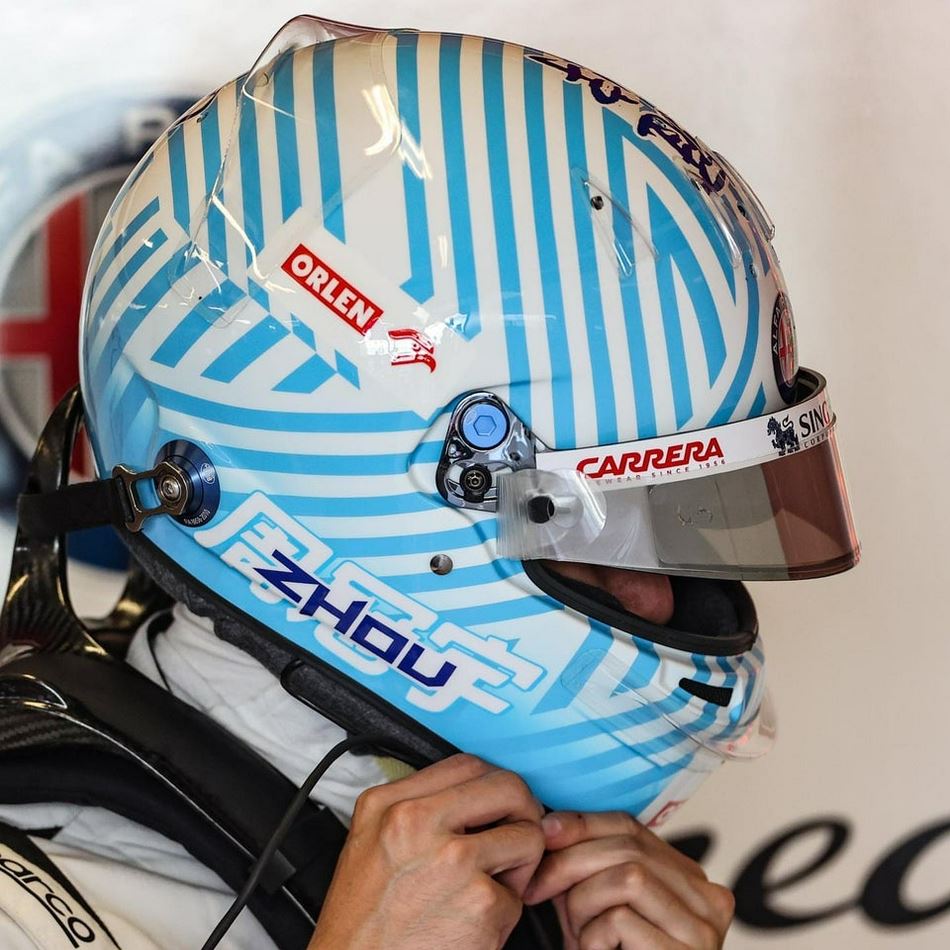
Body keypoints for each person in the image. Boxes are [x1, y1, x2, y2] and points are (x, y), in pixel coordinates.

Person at [0, 13, 859, 949]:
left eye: (679, 530)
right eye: (601, 527)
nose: (661, 598)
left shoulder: (541, 898)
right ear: (354, 500)